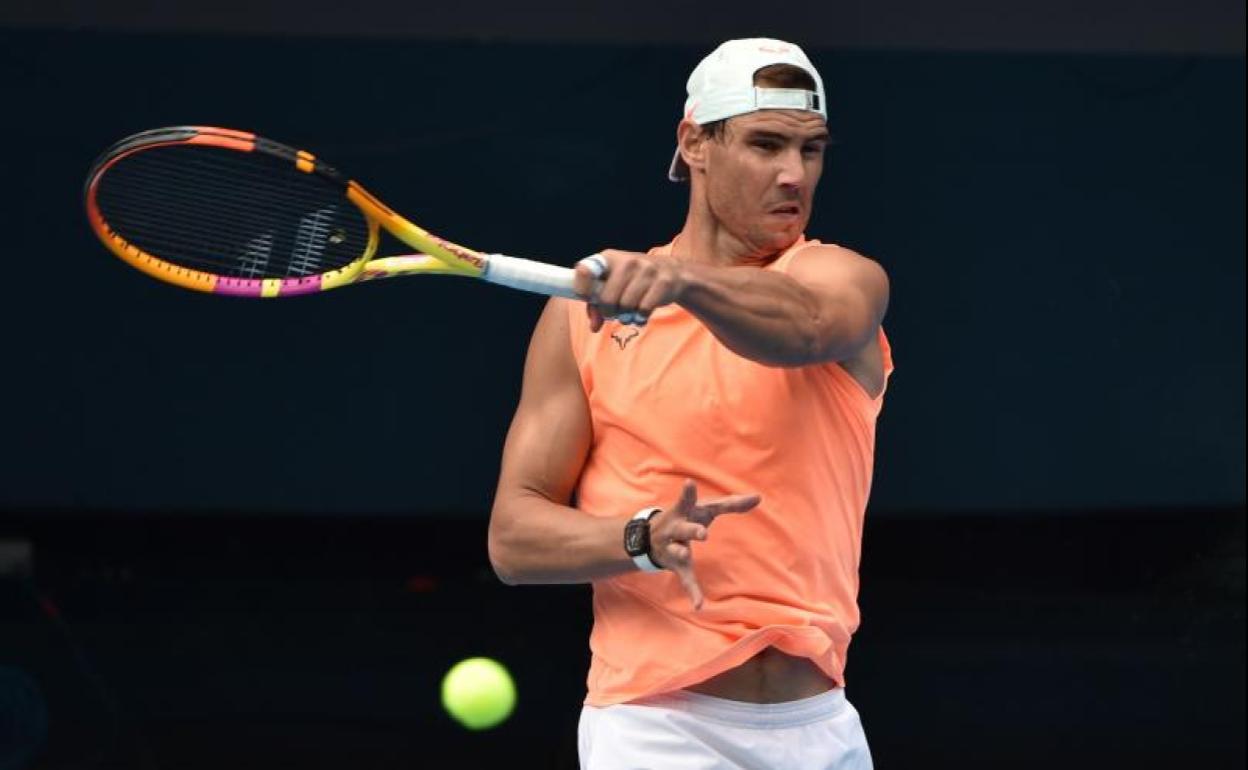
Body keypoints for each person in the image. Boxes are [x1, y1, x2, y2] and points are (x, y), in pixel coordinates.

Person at [488, 37, 892, 770]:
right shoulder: (578, 319)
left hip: (821, 727)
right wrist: (639, 539)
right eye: (765, 144)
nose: (793, 174)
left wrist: (681, 283)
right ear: (695, 142)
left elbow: (806, 327)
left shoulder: (842, 276)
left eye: (811, 150)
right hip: (654, 729)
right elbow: (514, 539)